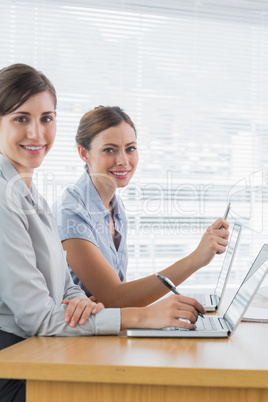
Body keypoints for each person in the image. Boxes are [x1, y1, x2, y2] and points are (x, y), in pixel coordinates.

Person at [0, 64, 209, 402]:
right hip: (18, 364)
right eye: (21, 119)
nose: (37, 134)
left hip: (44, 348)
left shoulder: (32, 195)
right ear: (84, 154)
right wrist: (145, 316)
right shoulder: (18, 201)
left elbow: (65, 287)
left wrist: (81, 302)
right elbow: (42, 314)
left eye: (47, 119)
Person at [54, 105, 229, 308]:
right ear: (84, 153)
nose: (123, 161)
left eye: (130, 148)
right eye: (109, 150)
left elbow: (116, 299)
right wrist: (195, 259)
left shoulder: (116, 208)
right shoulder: (71, 212)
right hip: (74, 337)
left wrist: (116, 300)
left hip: (104, 330)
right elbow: (115, 298)